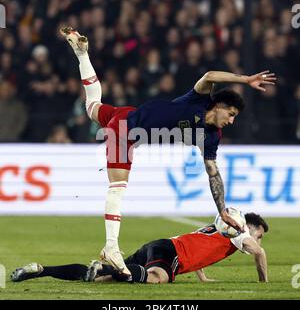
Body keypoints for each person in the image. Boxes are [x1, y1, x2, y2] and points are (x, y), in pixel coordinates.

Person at [59, 27, 276, 277]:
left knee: (91, 106)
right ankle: (111, 247)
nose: (231, 121)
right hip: (124, 131)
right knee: (118, 187)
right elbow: (210, 75)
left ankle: (82, 54)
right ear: (219, 106)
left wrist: (222, 210)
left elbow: (213, 173)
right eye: (231, 114)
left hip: (127, 114)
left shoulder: (211, 136)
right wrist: (245, 79)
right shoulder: (199, 100)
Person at [11, 212, 268, 284]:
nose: (259, 240)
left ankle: (41, 270)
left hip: (160, 246)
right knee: (158, 278)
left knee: (99, 277)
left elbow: (198, 248)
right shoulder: (241, 232)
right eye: (260, 234)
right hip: (169, 253)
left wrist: (202, 275)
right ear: (252, 226)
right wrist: (263, 282)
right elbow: (259, 253)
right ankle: (110, 269)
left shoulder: (221, 231)